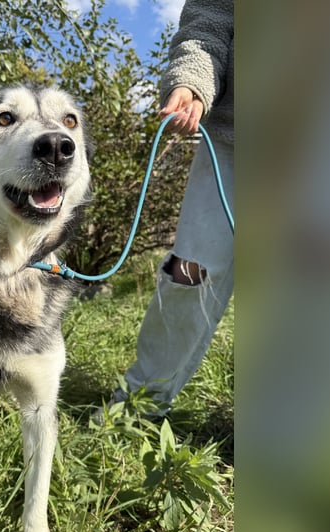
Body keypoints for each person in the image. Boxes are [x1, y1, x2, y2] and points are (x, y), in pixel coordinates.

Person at [109, 0, 234, 418]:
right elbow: (208, 25)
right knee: (188, 273)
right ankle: (138, 406)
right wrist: (192, 84)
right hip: (233, 148)